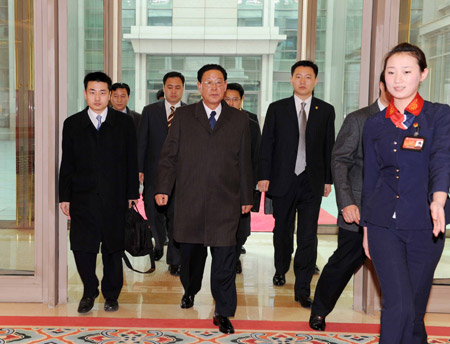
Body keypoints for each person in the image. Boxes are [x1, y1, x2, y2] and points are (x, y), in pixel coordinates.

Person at [361, 42, 450, 344]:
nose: (398, 79)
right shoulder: (374, 124)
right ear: (383, 78)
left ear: (423, 74)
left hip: (426, 225)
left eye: (407, 71)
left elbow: (441, 158)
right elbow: (370, 177)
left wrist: (438, 199)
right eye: (391, 72)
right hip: (383, 225)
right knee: (396, 304)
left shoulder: (439, 116)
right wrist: (365, 228)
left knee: (413, 308)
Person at [154, 64, 253, 334]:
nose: (214, 87)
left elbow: (245, 161)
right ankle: (190, 289)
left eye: (219, 82)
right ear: (198, 87)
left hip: (226, 201)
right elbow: (169, 156)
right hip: (191, 199)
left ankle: (223, 311)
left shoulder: (239, 119)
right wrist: (163, 187)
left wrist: (247, 196)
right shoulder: (184, 116)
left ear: (225, 86)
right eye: (208, 82)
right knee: (192, 258)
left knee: (225, 258)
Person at [309, 73, 391, 331]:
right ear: (381, 85)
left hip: (395, 211)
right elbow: (340, 160)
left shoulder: (412, 122)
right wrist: (346, 202)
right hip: (358, 209)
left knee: (395, 268)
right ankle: (319, 310)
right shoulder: (358, 119)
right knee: (343, 263)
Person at [59, 72, 139, 314]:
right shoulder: (72, 124)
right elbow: (67, 163)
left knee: (113, 249)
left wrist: (132, 192)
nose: (97, 97)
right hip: (83, 197)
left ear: (110, 95)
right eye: (92, 92)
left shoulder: (124, 124)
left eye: (103, 92)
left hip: (114, 197)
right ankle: (89, 289)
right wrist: (65, 196)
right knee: (82, 248)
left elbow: (131, 161)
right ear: (85, 94)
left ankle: (111, 294)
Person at [258, 60, 335, 308]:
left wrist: (328, 179)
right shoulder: (277, 109)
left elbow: (328, 147)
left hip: (311, 181)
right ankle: (281, 268)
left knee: (308, 235)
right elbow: (266, 144)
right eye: (298, 76)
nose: (303, 81)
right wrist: (263, 175)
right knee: (282, 230)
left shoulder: (325, 110)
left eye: (308, 77)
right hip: (283, 179)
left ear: (315, 81)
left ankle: (303, 288)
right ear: (291, 80)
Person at [138, 71, 186, 275]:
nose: (173, 91)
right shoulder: (150, 111)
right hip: (153, 174)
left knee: (176, 217)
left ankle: (174, 260)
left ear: (183, 89)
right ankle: (158, 244)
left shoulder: (191, 112)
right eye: (170, 87)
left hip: (181, 176)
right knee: (154, 214)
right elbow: (142, 142)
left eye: (177, 87)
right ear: (164, 88)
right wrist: (139, 169)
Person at [224, 83, 261, 273]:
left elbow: (256, 156)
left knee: (242, 228)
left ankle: (235, 255)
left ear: (242, 100)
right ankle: (226, 259)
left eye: (235, 99)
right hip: (220, 186)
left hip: (243, 185)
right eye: (227, 99)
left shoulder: (251, 124)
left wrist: (254, 185)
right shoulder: (213, 121)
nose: (231, 103)